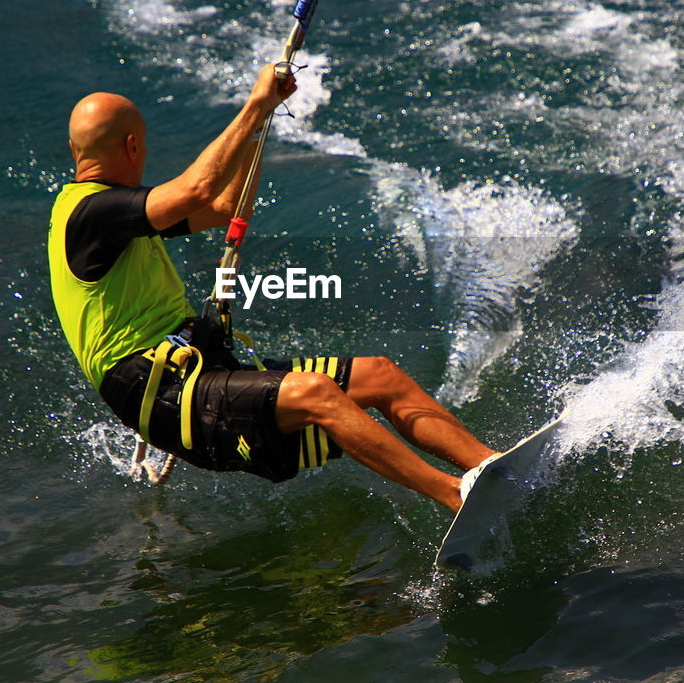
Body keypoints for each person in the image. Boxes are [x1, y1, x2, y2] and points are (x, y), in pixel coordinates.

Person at [48, 64, 497, 511]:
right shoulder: (92, 214)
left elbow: (225, 205)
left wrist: (261, 123)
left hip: (199, 372)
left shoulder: (116, 218)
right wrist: (255, 104)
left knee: (380, 376)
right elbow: (197, 189)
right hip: (165, 396)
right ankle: (455, 495)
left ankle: (491, 467)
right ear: (133, 145)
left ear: (72, 149)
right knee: (316, 392)